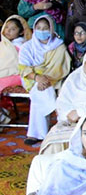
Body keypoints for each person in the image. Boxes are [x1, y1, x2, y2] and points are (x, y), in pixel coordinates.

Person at [18, 14, 71, 144]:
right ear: (34, 29)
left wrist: (46, 79)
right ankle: (46, 130)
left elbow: (60, 67)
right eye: (39, 28)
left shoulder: (58, 46)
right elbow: (23, 68)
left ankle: (35, 133)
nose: (42, 31)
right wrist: (37, 77)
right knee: (39, 90)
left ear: (52, 29)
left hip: (54, 78)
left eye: (45, 28)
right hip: (31, 78)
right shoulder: (27, 47)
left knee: (42, 90)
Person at [0, 15, 30, 95]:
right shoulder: (2, 44)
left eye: (13, 29)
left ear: (21, 32)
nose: (8, 31)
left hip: (15, 76)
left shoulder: (22, 46)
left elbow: (16, 65)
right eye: (6, 27)